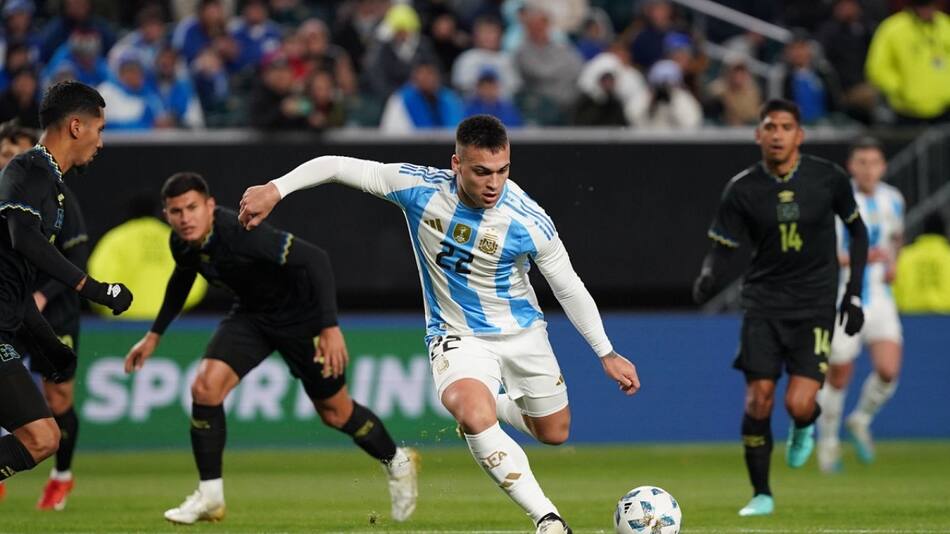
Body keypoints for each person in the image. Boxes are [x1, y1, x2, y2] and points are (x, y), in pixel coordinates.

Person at [238, 114, 641, 534]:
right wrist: (276, 188)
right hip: (456, 334)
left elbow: (569, 287)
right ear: (456, 164)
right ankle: (548, 518)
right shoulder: (418, 188)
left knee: (554, 432)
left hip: (523, 335)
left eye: (502, 171)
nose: (493, 183)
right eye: (481, 172)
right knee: (471, 410)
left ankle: (495, 406)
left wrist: (606, 352)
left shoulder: (528, 220)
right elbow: (338, 166)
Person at [123, 173, 417, 525]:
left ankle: (397, 462)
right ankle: (210, 496)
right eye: (176, 211)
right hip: (252, 317)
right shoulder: (181, 243)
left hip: (301, 319)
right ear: (166, 215)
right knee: (204, 387)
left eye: (192, 208)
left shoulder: (244, 233)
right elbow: (183, 277)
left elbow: (316, 259)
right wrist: (154, 335)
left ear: (210, 206)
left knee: (336, 413)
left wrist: (328, 326)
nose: (185, 218)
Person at [693, 99, 869, 517]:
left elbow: (858, 233)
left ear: (799, 135)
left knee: (797, 403)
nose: (777, 134)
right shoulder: (742, 188)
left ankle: (806, 421)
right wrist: (708, 276)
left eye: (786, 127)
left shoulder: (828, 179)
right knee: (759, 399)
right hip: (763, 303)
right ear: (758, 134)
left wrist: (855, 293)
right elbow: (722, 246)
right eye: (769, 126)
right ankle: (761, 494)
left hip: (814, 304)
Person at [0, 80, 133, 488]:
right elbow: (24, 238)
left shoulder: (52, 187)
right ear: (77, 126)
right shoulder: (26, 169)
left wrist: (46, 344)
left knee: (45, 437)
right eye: (100, 128)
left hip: (7, 323)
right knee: (43, 437)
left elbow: (15, 284)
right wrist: (93, 289)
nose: (101, 141)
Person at [816, 138, 904, 473]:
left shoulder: (893, 199)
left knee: (888, 370)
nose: (869, 169)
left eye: (875, 162)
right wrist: (860, 259)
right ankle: (828, 443)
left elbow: (896, 237)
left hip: (880, 299)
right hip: (844, 297)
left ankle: (860, 419)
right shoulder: (837, 200)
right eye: (862, 162)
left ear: (883, 166)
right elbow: (823, 254)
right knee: (839, 374)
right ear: (852, 167)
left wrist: (894, 261)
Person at [865, 0, 950, 125]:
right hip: (907, 111)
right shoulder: (892, 28)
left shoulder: (946, 25)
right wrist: (900, 89)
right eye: (922, 6)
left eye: (930, 5)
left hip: (945, 109)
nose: (926, 11)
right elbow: (877, 68)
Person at [892, 212, 950, 313]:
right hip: (946, 320)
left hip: (910, 320)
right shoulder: (947, 255)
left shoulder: (905, 256)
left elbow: (895, 292)